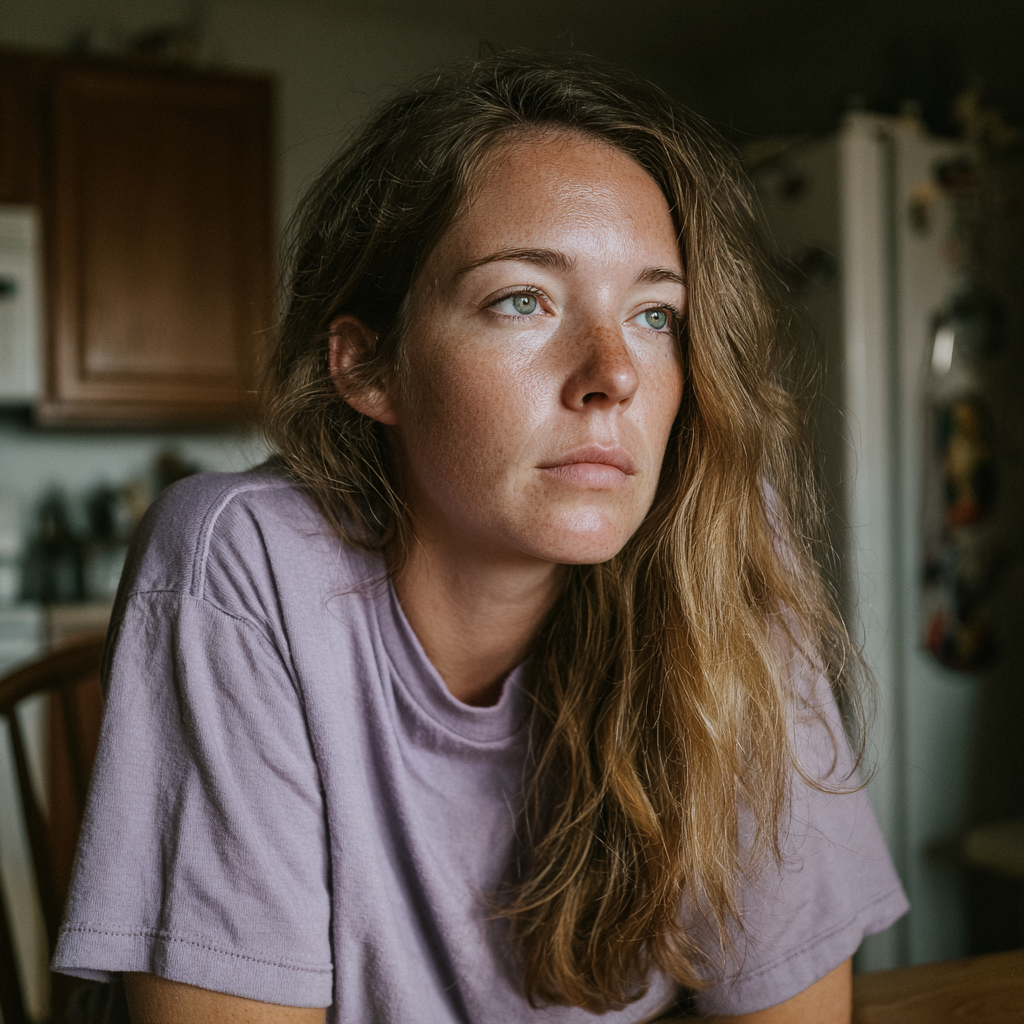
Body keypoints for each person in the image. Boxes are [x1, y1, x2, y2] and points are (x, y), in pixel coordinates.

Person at [53, 51, 907, 1023]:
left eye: (654, 314)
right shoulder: (245, 561)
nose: (613, 375)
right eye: (522, 300)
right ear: (368, 367)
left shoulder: (718, 537)